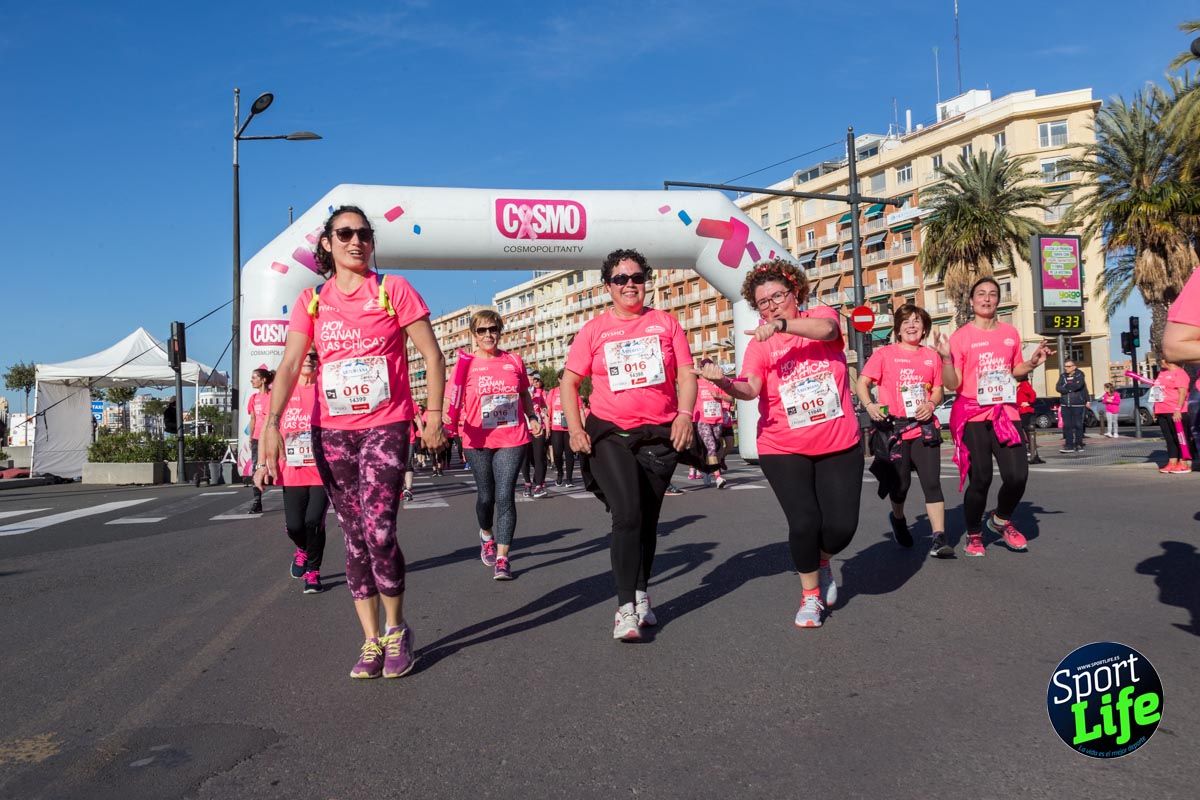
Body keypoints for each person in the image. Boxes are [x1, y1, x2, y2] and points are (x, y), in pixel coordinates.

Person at [261, 205, 446, 680]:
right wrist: (272, 422)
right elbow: (287, 366)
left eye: (364, 234)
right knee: (354, 538)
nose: (356, 241)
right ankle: (369, 640)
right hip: (332, 432)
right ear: (327, 243)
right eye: (345, 233)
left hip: (386, 424)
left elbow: (431, 353)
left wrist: (434, 414)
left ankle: (397, 630)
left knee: (380, 530)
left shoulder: (392, 290)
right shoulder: (312, 300)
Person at [698, 259, 861, 628]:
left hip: (838, 440)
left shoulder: (819, 315)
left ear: (795, 292)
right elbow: (750, 388)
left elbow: (828, 329)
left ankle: (822, 560)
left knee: (841, 528)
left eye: (777, 297)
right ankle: (810, 597)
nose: (770, 307)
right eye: (763, 303)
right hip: (782, 444)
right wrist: (723, 381)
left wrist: (783, 326)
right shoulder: (759, 344)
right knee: (804, 522)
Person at [561, 248, 696, 641]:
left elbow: (686, 375)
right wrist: (575, 428)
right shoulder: (595, 330)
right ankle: (624, 609)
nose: (630, 285)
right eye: (621, 279)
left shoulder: (666, 324)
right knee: (628, 513)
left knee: (648, 520)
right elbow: (569, 382)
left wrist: (684, 414)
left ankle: (640, 596)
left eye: (636, 277)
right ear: (609, 287)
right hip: (610, 432)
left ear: (646, 281)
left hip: (658, 435)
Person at [933, 277, 1053, 557]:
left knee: (1017, 475)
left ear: (998, 300)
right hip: (973, 414)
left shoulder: (1010, 333)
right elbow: (952, 384)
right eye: (981, 294)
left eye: (992, 294)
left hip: (1005, 411)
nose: (987, 299)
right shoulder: (961, 337)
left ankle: (999, 520)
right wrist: (946, 359)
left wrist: (1032, 362)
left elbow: (1015, 370)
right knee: (981, 479)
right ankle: (974, 533)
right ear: (972, 301)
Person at [856, 303, 949, 558]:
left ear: (924, 327)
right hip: (894, 429)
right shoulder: (884, 354)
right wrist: (870, 405)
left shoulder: (931, 356)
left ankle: (939, 537)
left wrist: (931, 404)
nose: (912, 325)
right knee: (901, 486)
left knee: (932, 482)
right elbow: (862, 383)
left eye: (917, 321)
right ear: (897, 329)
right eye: (906, 321)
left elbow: (939, 389)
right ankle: (898, 519)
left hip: (924, 427)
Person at [456, 309, 542, 580]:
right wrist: (447, 425)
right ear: (474, 334)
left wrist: (532, 416)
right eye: (482, 331)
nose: (488, 335)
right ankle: (486, 534)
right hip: (477, 438)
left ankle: (503, 558)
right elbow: (454, 399)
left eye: (493, 329)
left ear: (500, 331)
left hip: (511, 436)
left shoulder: (513, 360)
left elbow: (524, 393)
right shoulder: (465, 364)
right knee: (486, 496)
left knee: (505, 495)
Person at [256, 349, 328, 594]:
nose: (308, 358)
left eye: (314, 355)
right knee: (295, 526)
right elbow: (266, 427)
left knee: (313, 521)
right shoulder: (282, 388)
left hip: (322, 468)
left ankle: (314, 572)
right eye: (304, 354)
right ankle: (303, 549)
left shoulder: (326, 385)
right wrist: (262, 464)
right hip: (293, 468)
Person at [1150, 357, 1193, 474]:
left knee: (1180, 437)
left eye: (1162, 359)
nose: (1160, 361)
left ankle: (1183, 463)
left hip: (1175, 410)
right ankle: (1172, 462)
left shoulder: (1180, 373)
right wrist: (1155, 408)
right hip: (1162, 410)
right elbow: (1156, 390)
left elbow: (1183, 392)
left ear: (1168, 360)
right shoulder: (1162, 373)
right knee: (1169, 438)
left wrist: (1178, 409)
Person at [693, 358, 731, 488]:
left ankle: (705, 469)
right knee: (711, 447)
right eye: (705, 368)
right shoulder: (696, 383)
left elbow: (730, 397)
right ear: (701, 369)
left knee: (714, 446)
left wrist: (719, 396)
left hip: (717, 420)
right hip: (702, 421)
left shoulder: (717, 383)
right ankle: (718, 477)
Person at [246, 368, 274, 513]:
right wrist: (251, 437)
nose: (252, 380)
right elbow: (253, 419)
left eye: (254, 377)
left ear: (263, 380)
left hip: (272, 437)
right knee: (256, 468)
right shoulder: (253, 398)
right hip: (257, 438)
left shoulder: (272, 396)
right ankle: (257, 502)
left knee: (279, 467)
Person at [547, 370, 579, 487]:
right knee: (557, 453)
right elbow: (548, 409)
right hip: (556, 427)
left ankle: (569, 478)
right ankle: (560, 473)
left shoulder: (573, 391)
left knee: (570, 453)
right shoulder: (553, 392)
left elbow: (579, 408)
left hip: (569, 427)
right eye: (562, 378)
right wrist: (547, 426)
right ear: (559, 380)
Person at [520, 371, 550, 498]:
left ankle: (539, 486)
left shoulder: (539, 393)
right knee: (525, 459)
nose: (532, 379)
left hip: (538, 429)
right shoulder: (520, 392)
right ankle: (527, 484)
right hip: (523, 429)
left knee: (539, 458)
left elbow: (544, 409)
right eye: (530, 376)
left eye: (534, 377)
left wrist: (547, 427)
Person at [1055, 358, 1090, 453]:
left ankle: (1079, 444)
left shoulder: (1079, 374)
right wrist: (1068, 389)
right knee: (1067, 426)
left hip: (1077, 404)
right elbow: (1058, 387)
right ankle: (1069, 445)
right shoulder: (1062, 376)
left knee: (1078, 425)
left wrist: (1066, 387)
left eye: (1068, 366)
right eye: (1065, 366)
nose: (1066, 368)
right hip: (1065, 404)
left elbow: (1078, 385)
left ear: (1074, 367)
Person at [1016, 375, 1044, 463]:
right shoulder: (1020, 385)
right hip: (1020, 411)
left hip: (1026, 411)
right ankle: (1030, 449)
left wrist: (1028, 402)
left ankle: (1031, 450)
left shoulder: (1025, 384)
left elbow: (1033, 394)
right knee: (1024, 429)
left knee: (1026, 429)